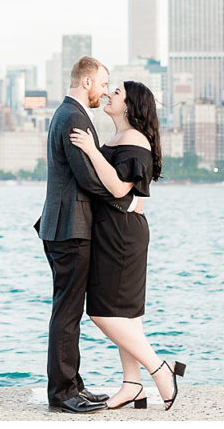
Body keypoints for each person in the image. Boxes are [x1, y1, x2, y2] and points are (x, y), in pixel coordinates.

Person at [68, 79, 186, 411]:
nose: (108, 94)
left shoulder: (134, 140)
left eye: (116, 92)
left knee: (102, 313)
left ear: (130, 106)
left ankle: (160, 369)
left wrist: (91, 150)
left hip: (122, 234)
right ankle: (132, 385)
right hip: (114, 227)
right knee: (126, 315)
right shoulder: (121, 137)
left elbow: (120, 189)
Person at [33, 56, 132, 414]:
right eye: (103, 84)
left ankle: (73, 384)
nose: (104, 91)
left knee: (69, 309)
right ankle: (62, 393)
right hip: (69, 228)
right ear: (87, 81)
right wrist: (125, 198)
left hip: (65, 225)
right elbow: (87, 177)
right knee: (67, 311)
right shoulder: (74, 116)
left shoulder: (68, 113)